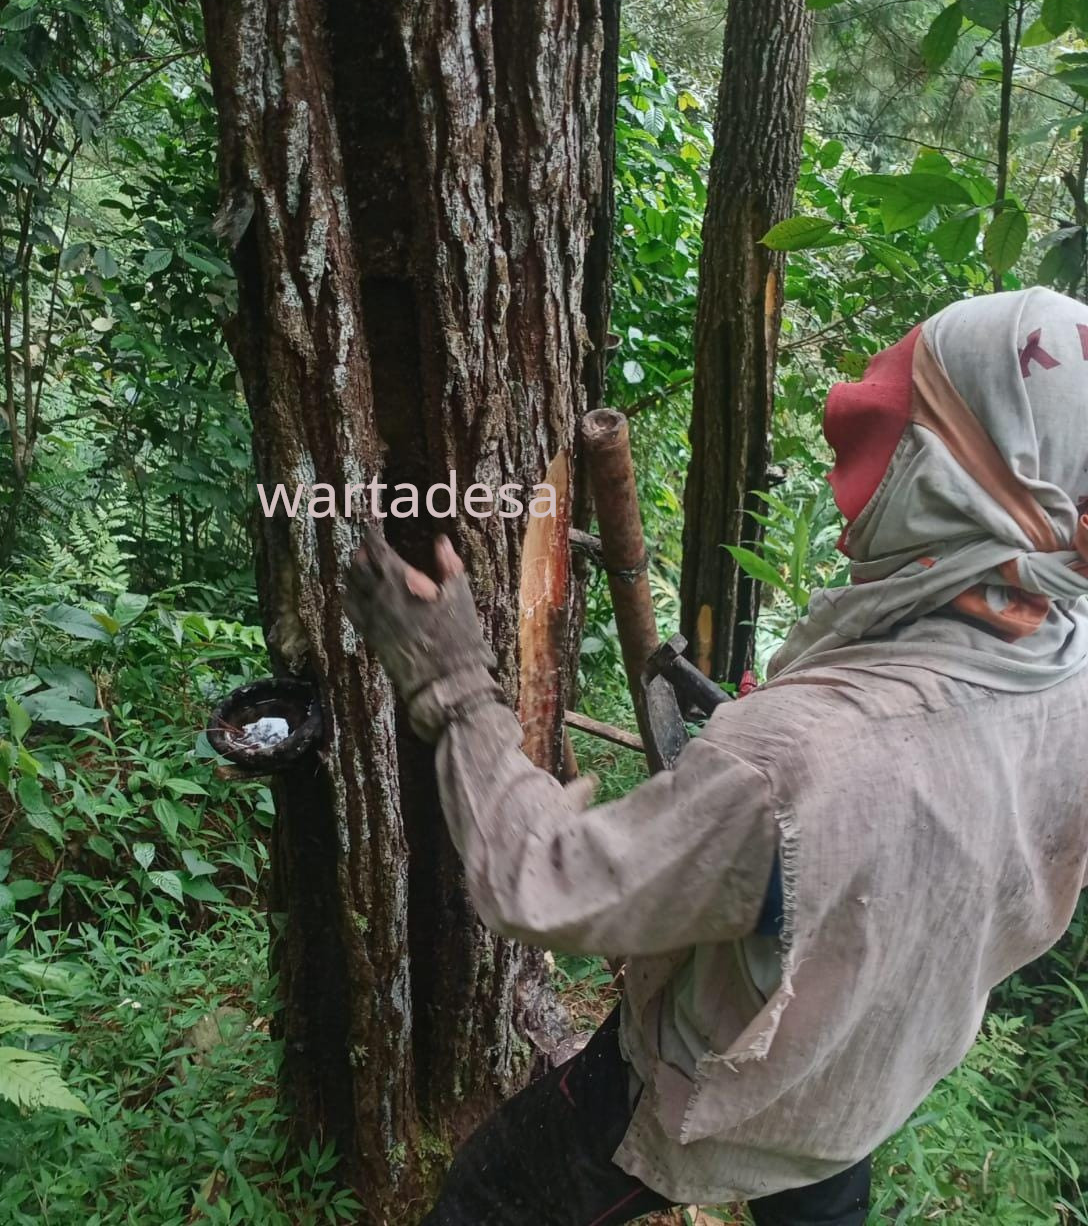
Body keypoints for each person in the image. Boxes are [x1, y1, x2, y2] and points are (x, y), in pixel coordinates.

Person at [342, 287, 1088, 1226]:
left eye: (897, 436)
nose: (847, 457)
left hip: (715, 1100)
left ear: (951, 484)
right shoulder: (1068, 668)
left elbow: (538, 880)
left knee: (488, 1200)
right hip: (865, 1080)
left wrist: (450, 680)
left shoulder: (796, 761)